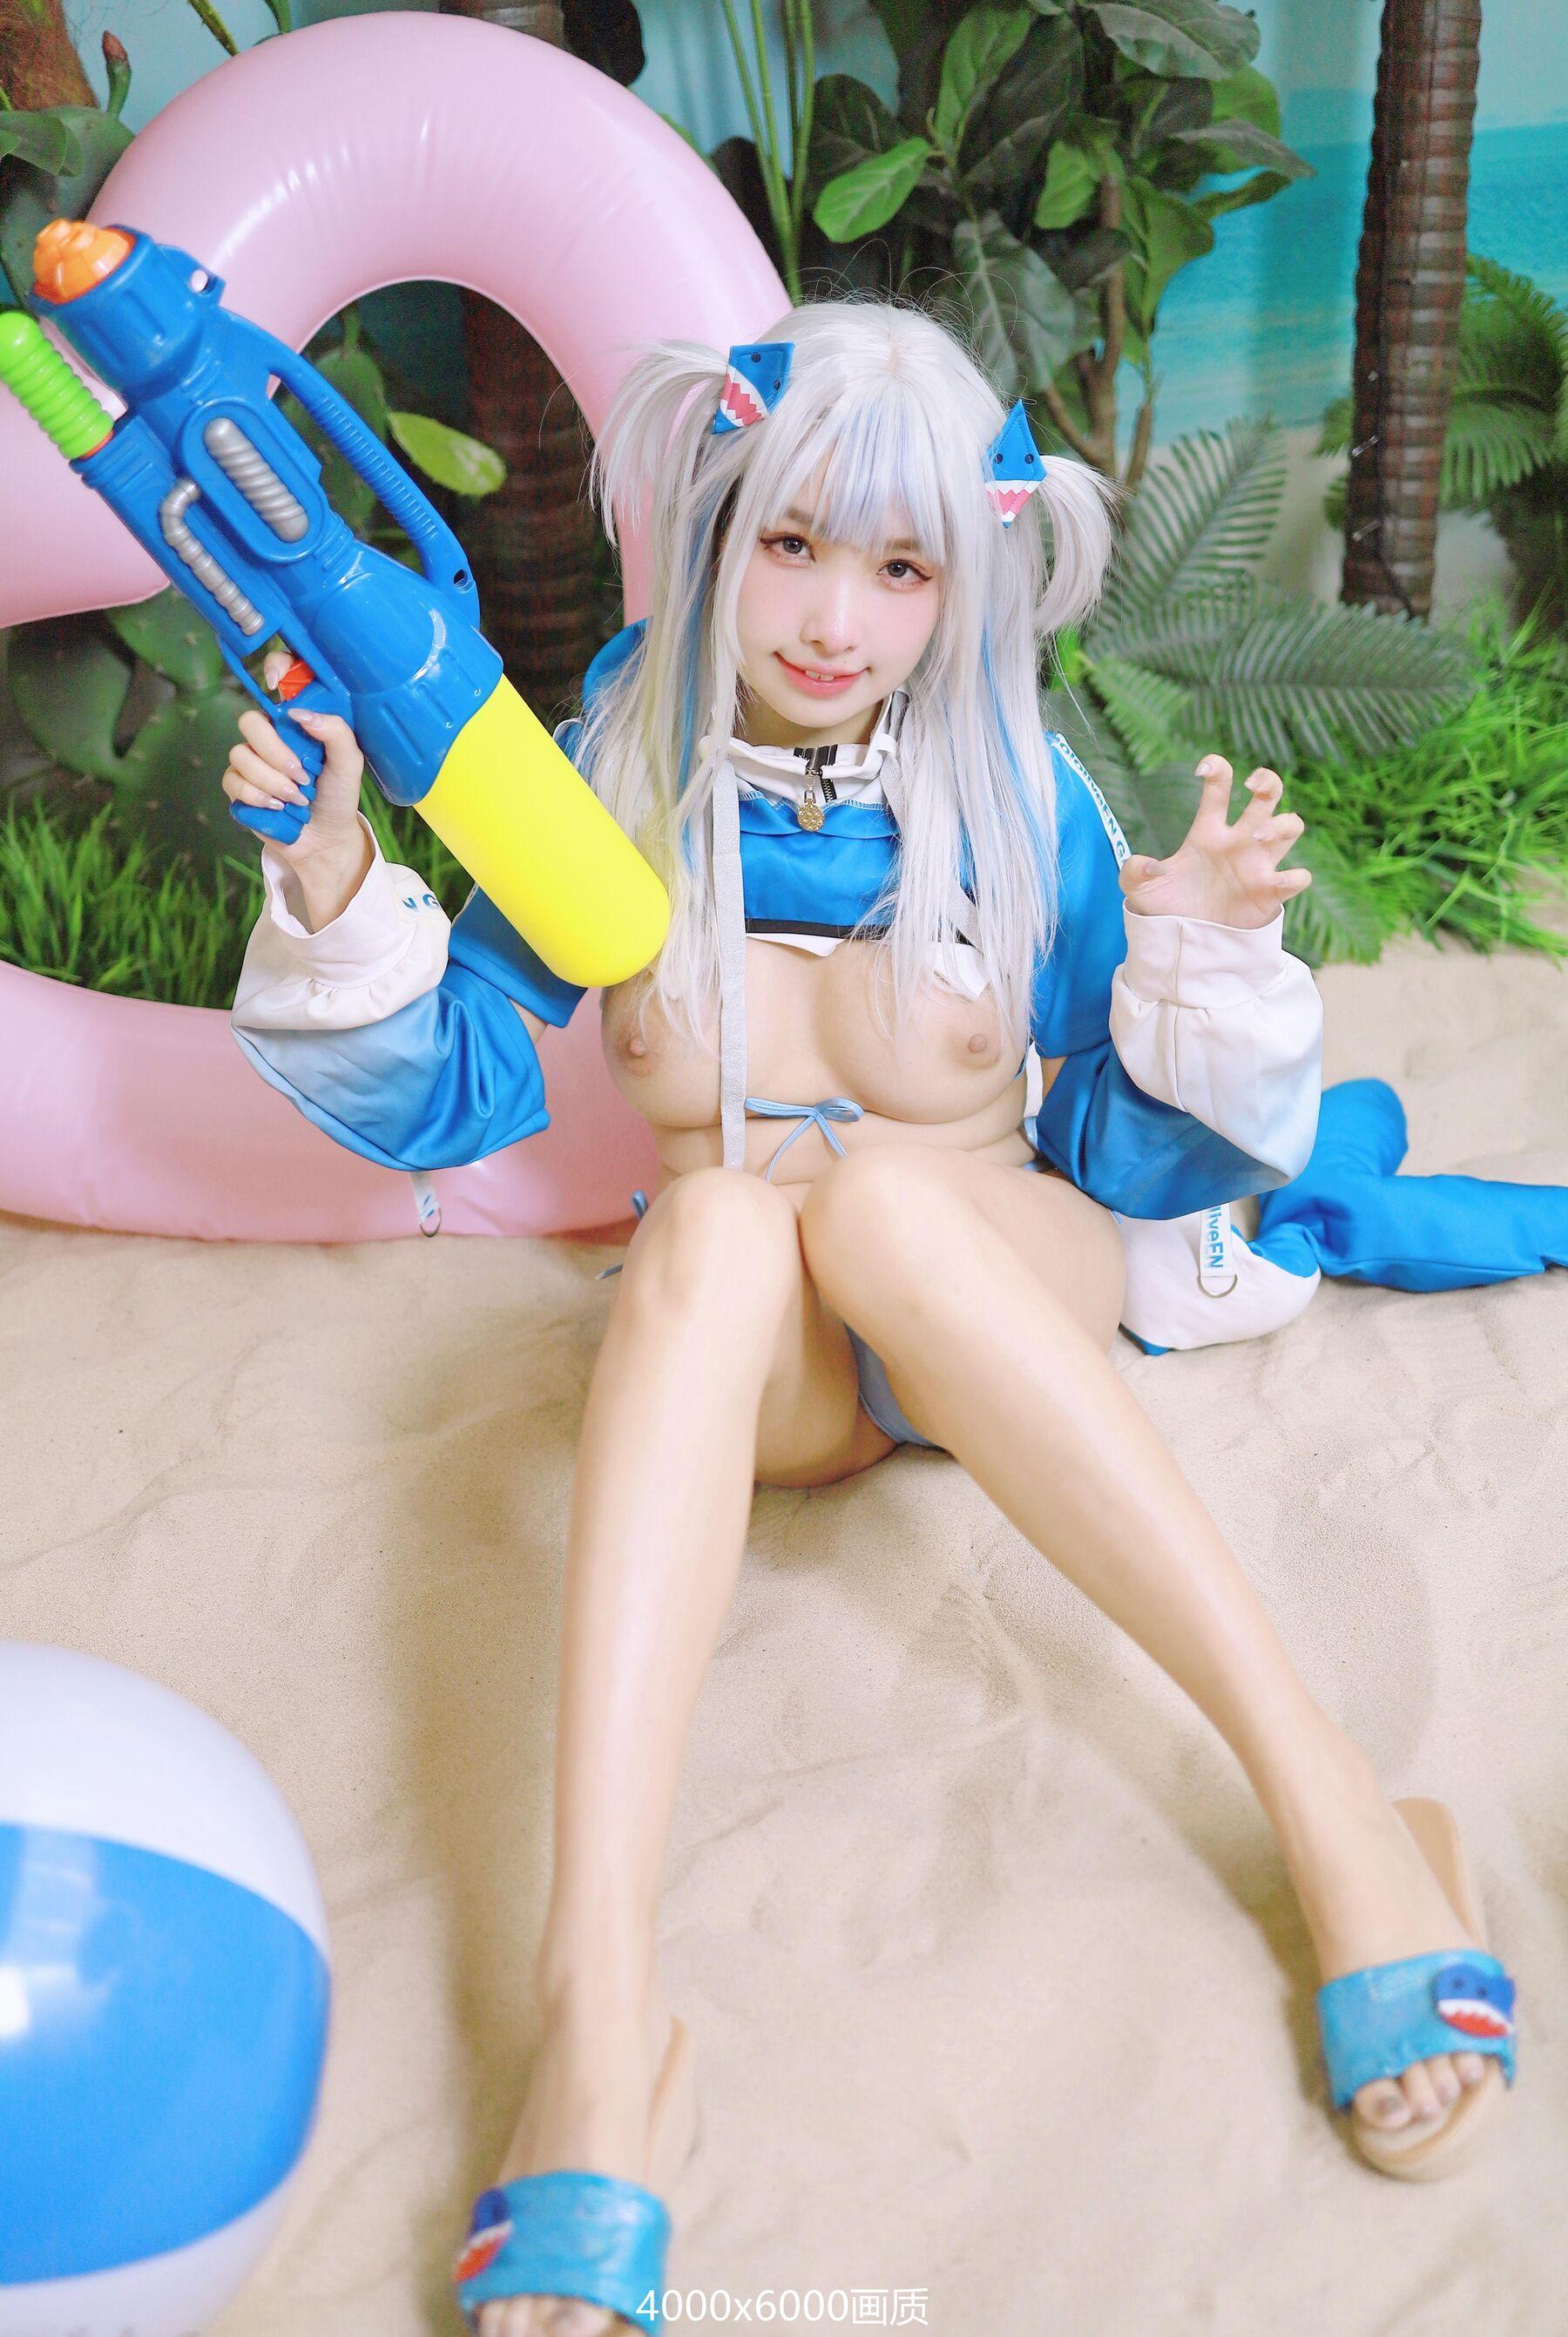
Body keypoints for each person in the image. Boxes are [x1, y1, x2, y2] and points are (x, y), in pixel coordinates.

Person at [222, 302, 1517, 2336]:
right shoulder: (618, 772)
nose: (837, 619)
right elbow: (460, 1091)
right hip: (786, 1375)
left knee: (891, 1204)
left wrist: (1192, 969)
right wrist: (323, 879)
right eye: (798, 544)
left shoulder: (1013, 789)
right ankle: (599, 2015)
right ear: (723, 526)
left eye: (902, 568)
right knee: (715, 1223)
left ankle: (1339, 1804)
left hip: (992, 1277)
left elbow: (1115, 1147)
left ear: (966, 581)